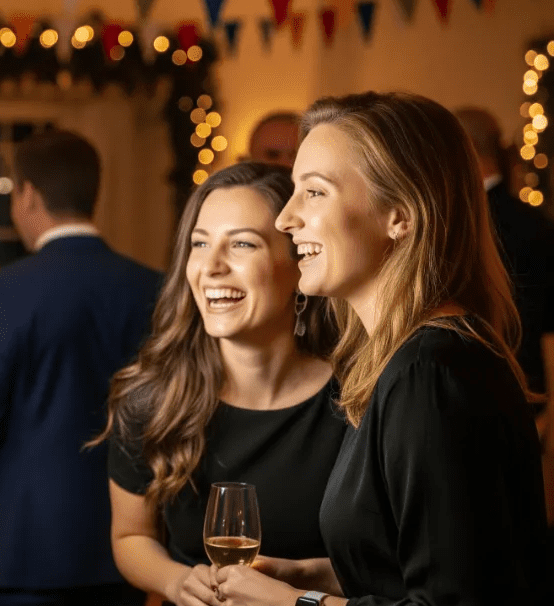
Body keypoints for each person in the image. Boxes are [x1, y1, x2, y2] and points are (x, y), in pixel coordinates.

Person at [193, 92, 548, 605]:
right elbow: (426, 562)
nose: (286, 218)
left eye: (315, 192)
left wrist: (290, 603)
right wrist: (313, 575)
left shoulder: (430, 371)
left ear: (399, 215)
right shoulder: (414, 359)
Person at [94, 163, 344, 606]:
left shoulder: (358, 401)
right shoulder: (152, 398)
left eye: (243, 243)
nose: (211, 267)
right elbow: (131, 536)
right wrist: (176, 581)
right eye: (200, 243)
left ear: (300, 264)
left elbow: (390, 565)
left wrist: (298, 589)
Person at [0, 129, 162, 606]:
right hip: (126, 545)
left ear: (28, 194)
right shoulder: (152, 287)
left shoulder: (3, 292)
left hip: (26, 549)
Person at [455, 107, 554, 410]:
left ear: (465, 150)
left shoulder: (461, 221)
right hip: (527, 383)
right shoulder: (536, 221)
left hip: (472, 386)